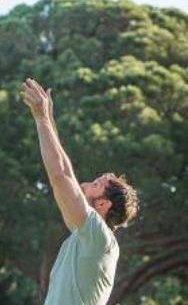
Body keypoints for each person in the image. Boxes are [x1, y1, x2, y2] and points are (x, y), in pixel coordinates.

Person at [21, 78, 139, 305]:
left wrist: (42, 118)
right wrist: (48, 122)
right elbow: (65, 171)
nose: (85, 183)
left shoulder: (99, 238)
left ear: (104, 204)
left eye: (96, 184)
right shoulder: (87, 235)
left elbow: (60, 177)